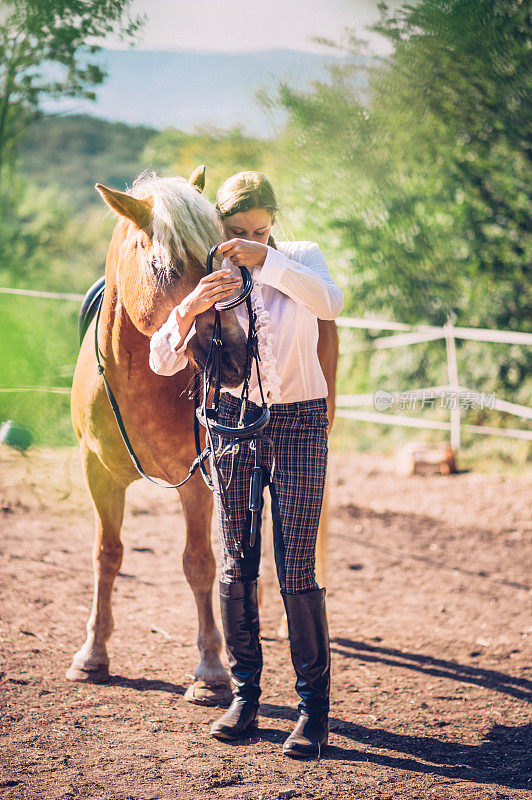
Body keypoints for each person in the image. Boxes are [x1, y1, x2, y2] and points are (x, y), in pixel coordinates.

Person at [149, 171, 344, 759]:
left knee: (296, 567)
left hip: (302, 423)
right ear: (220, 229)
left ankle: (312, 709)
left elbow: (331, 303)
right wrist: (190, 305)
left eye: (260, 229)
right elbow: (162, 360)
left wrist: (269, 260)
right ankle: (246, 695)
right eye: (238, 231)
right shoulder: (214, 274)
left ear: (274, 225)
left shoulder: (301, 258)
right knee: (237, 562)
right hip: (232, 426)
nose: (250, 239)